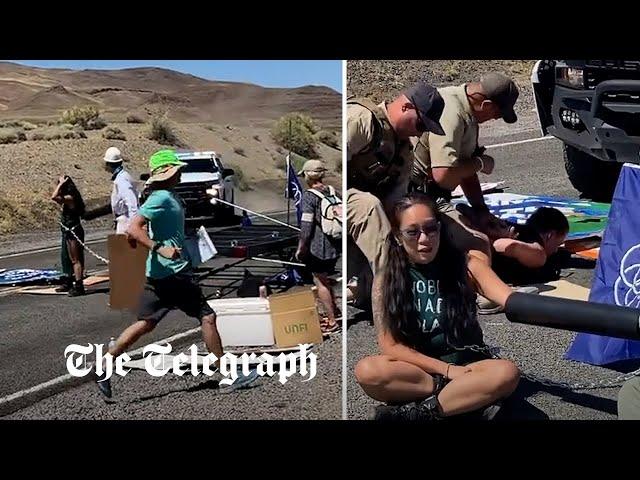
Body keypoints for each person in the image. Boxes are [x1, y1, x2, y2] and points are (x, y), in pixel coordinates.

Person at [94, 150, 256, 399]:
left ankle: (105, 364)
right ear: (168, 173)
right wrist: (161, 247)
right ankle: (227, 374)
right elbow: (133, 228)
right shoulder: (161, 198)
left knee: (147, 322)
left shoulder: (163, 197)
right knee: (208, 316)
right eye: (177, 169)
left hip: (158, 272)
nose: (181, 173)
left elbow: (132, 233)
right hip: (174, 272)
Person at [354, 192, 520, 421]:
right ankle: (462, 401)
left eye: (431, 229)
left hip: (471, 366)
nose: (424, 239)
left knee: (506, 373)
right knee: (368, 371)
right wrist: (447, 371)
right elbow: (390, 346)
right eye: (413, 232)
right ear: (397, 236)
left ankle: (418, 414)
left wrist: (559, 311)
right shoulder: (386, 279)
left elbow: (510, 299)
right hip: (421, 372)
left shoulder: (468, 264)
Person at [346, 80, 445, 311]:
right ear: (406, 107)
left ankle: (386, 285)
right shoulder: (361, 120)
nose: (419, 132)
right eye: (421, 124)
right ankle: (395, 291)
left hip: (366, 205)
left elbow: (396, 201)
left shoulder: (402, 150)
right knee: (368, 206)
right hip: (341, 197)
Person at [410, 72, 520, 258]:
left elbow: (465, 170)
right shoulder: (451, 112)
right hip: (417, 195)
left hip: (435, 193)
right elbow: (444, 175)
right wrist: (479, 163)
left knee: (479, 231)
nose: (495, 119)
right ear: (486, 105)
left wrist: (481, 210)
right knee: (477, 244)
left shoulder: (469, 110)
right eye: (497, 114)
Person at [461, 206, 570, 286]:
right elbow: (507, 245)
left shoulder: (520, 230)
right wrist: (494, 238)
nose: (556, 250)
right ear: (550, 235)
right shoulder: (538, 252)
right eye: (557, 244)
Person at [295, 160, 342, 334]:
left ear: (307, 175)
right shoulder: (331, 191)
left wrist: (301, 247)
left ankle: (332, 321)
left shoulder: (309, 196)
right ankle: (335, 312)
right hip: (335, 242)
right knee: (327, 279)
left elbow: (307, 226)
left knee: (320, 281)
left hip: (319, 246)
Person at [83, 147, 139, 234]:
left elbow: (132, 203)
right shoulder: (122, 177)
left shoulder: (122, 180)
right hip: (123, 219)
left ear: (109, 164)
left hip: (125, 221)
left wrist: (134, 226)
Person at [51, 175, 86, 296]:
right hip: (68, 231)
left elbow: (54, 197)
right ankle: (69, 281)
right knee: (67, 257)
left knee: (75, 259)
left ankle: (79, 285)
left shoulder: (71, 198)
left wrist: (60, 184)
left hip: (74, 231)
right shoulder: (67, 198)